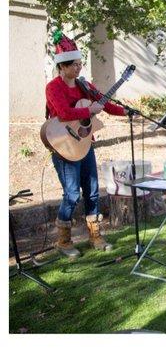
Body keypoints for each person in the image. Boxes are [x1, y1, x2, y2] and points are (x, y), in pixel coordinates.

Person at [46, 30, 127, 258]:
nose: (79, 68)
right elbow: (63, 112)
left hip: (84, 144)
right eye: (74, 65)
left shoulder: (84, 85)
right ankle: (63, 241)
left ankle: (95, 235)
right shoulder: (53, 87)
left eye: (80, 63)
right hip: (63, 146)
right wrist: (87, 110)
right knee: (71, 193)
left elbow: (104, 104)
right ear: (62, 66)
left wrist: (126, 112)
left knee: (92, 191)